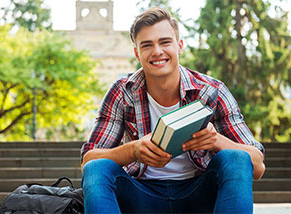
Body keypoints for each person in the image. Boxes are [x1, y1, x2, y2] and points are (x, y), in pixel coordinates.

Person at [80, 7, 265, 213]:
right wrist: (132, 151)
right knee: (97, 168)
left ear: (180, 46)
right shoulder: (122, 92)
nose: (157, 51)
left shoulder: (212, 91)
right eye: (147, 45)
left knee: (237, 157)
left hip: (199, 194)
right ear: (137, 53)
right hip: (141, 197)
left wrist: (217, 141)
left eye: (165, 42)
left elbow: (257, 166)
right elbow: (88, 162)